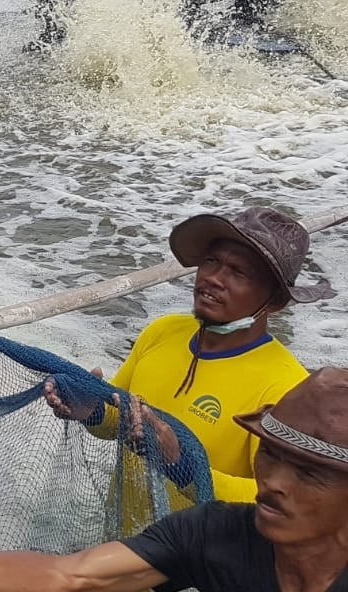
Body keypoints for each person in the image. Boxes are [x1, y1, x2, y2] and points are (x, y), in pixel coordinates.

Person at [45, 206, 330, 501]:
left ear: (276, 301)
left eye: (238, 272)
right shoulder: (163, 331)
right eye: (211, 261)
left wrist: (182, 465)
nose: (214, 278)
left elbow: (280, 499)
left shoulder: (287, 388)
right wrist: (92, 410)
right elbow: (122, 420)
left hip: (202, 547)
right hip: (123, 539)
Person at [0, 368, 348, 592]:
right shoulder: (215, 532)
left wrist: (176, 462)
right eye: (268, 454)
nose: (273, 482)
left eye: (309, 472)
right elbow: (71, 576)